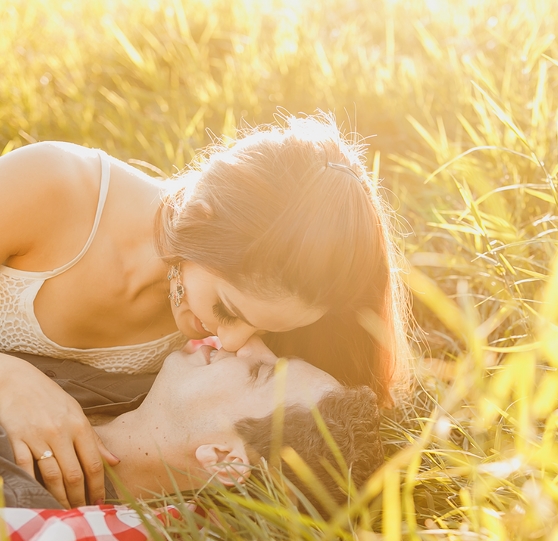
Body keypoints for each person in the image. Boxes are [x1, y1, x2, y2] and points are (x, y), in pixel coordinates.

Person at [0, 114, 409, 508]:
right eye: (227, 310)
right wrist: (9, 378)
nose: (229, 341)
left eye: (260, 331)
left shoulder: (206, 369)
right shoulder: (54, 189)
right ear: (198, 221)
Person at [0, 336, 384, 514]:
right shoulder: (129, 380)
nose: (249, 344)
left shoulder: (21, 494)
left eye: (262, 372)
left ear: (223, 458)